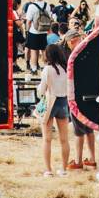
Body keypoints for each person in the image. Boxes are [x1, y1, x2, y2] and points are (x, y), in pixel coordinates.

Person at [42, 39, 73, 175]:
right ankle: (64, 169)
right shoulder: (66, 69)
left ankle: (48, 169)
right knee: (64, 139)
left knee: (47, 139)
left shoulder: (47, 70)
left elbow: (42, 89)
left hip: (50, 102)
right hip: (63, 102)